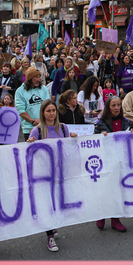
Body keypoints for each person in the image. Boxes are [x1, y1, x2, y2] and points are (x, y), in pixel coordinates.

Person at [27, 100, 78, 252]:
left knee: (57, 199)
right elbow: (30, 152)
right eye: (48, 111)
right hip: (43, 173)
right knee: (46, 202)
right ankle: (49, 236)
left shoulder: (63, 127)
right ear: (43, 113)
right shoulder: (37, 130)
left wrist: (73, 138)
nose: (51, 113)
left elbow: (68, 147)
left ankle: (52, 224)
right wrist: (31, 142)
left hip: (60, 169)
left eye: (53, 110)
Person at [93, 96, 131, 232]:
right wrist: (100, 137)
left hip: (121, 162)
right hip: (106, 162)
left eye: (118, 105)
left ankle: (115, 219)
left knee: (119, 190)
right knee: (105, 190)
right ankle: (102, 215)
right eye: (113, 105)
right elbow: (94, 144)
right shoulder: (100, 123)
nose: (116, 108)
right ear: (108, 107)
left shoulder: (126, 122)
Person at [15, 68, 50, 138]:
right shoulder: (20, 91)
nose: (39, 79)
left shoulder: (44, 89)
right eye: (36, 77)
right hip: (28, 128)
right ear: (30, 79)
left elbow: (48, 105)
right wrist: (33, 121)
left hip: (44, 126)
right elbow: (21, 110)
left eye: (39, 77)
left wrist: (41, 120)